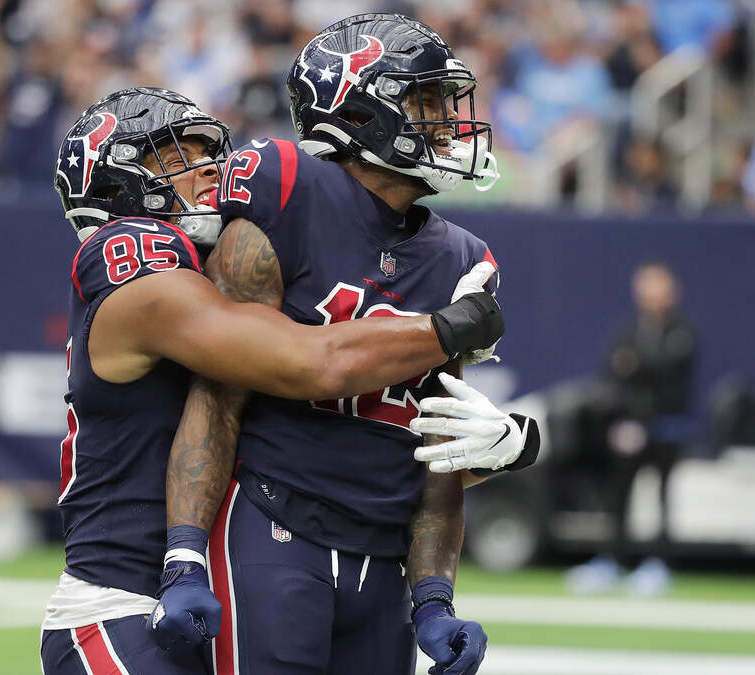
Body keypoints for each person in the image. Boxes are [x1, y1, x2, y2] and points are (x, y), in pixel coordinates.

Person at [37, 87, 508, 675]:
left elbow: (326, 432)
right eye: (176, 157)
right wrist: (444, 327)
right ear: (113, 187)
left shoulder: (221, 266)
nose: (208, 167)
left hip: (211, 590)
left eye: (208, 152)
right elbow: (310, 362)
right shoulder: (131, 258)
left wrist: (502, 449)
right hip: (122, 598)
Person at [154, 15, 537, 675]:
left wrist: (433, 597)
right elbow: (218, 389)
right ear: (358, 113)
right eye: (426, 101)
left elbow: (437, 448)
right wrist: (184, 554)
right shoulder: (286, 187)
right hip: (274, 524)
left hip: (383, 559)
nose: (449, 120)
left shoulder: (462, 259)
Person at [566, 261, 696, 597]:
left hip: (666, 429)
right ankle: (611, 560)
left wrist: (637, 366)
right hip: (629, 427)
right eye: (645, 286)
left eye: (657, 286)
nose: (650, 293)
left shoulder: (683, 330)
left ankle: (659, 563)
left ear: (671, 291)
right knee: (618, 495)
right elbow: (614, 367)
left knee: (661, 496)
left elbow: (667, 370)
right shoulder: (630, 329)